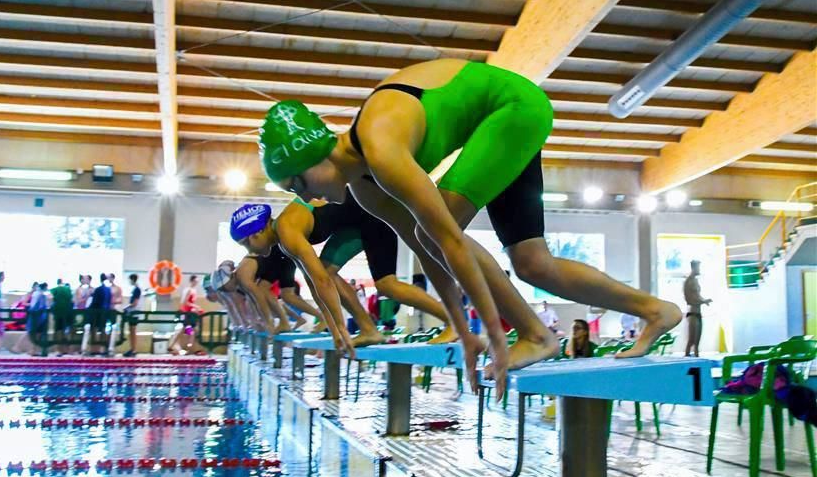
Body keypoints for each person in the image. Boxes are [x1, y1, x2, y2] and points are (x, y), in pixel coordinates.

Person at [257, 58, 682, 394]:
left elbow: (449, 241)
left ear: (317, 156)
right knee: (533, 263)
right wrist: (462, 332)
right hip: (498, 125)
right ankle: (655, 310)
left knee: (438, 227)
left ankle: (535, 334)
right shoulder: (366, 189)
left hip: (513, 110)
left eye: (299, 182)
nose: (303, 196)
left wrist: (492, 337)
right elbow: (430, 253)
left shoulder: (381, 146)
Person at [229, 197, 461, 354]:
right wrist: (334, 328)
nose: (249, 252)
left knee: (388, 286)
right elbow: (315, 285)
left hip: (373, 213)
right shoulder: (284, 236)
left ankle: (455, 323)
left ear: (257, 232)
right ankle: (369, 329)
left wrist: (340, 330)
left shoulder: (288, 231)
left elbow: (321, 282)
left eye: (245, 244)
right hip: (354, 223)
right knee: (328, 270)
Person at [683, 260, 712, 357]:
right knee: (691, 340)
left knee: (697, 342)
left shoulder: (695, 281)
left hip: (698, 312)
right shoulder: (688, 281)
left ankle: (697, 359)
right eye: (698, 267)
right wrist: (703, 301)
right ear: (693, 268)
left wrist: (704, 300)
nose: (699, 270)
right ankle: (687, 358)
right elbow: (689, 299)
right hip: (692, 313)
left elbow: (698, 296)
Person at [87, 273, 113, 355]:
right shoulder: (108, 289)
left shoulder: (98, 289)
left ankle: (94, 349)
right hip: (105, 312)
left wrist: (88, 309)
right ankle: (104, 349)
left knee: (94, 330)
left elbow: (95, 302)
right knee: (103, 330)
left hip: (97, 313)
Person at [26, 282, 50, 355]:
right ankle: (33, 350)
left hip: (33, 316)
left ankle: (33, 350)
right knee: (37, 334)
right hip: (39, 317)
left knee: (34, 334)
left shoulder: (35, 293)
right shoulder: (41, 295)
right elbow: (42, 306)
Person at [50, 278, 74, 353]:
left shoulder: (54, 289)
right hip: (67, 313)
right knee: (66, 331)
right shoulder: (68, 289)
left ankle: (57, 349)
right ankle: (67, 349)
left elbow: (50, 298)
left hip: (58, 313)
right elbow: (72, 300)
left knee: (57, 331)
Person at [123, 273, 142, 357]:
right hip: (133, 312)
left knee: (133, 331)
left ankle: (134, 349)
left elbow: (135, 303)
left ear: (132, 280)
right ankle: (133, 349)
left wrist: (126, 308)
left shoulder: (137, 289)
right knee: (132, 331)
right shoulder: (136, 289)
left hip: (134, 313)